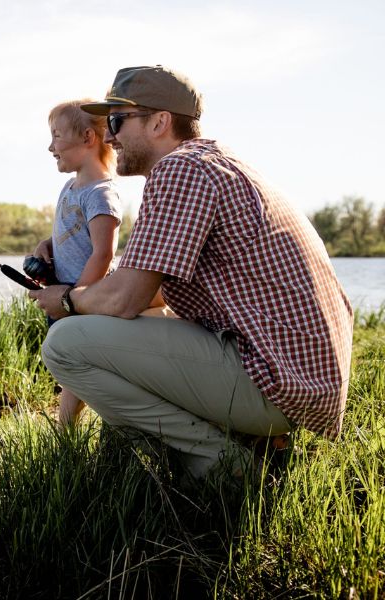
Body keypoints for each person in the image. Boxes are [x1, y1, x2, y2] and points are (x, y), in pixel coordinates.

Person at [28, 65, 353, 480]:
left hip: (277, 385)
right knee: (134, 320)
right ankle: (250, 441)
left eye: (117, 121)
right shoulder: (215, 164)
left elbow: (124, 297)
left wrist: (67, 300)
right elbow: (149, 292)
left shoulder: (181, 170)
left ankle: (223, 467)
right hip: (300, 382)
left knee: (65, 344)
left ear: (160, 122)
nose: (109, 137)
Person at [28, 99, 122, 426]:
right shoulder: (70, 187)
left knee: (77, 368)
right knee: (70, 368)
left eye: (57, 136)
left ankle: (68, 432)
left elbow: (103, 253)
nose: (51, 146)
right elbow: (71, 233)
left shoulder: (101, 194)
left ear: (87, 138)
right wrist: (46, 245)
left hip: (81, 301)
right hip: (62, 296)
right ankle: (65, 432)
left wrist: (75, 299)